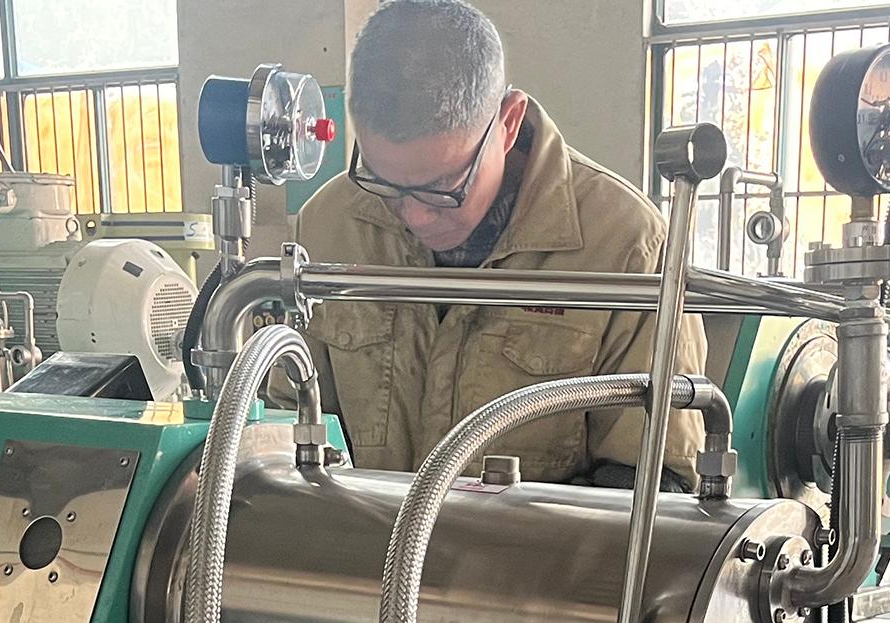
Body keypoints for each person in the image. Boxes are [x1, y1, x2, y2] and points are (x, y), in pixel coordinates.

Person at [292, 0, 707, 488]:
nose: (415, 214)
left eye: (443, 186)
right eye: (384, 182)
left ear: (508, 122)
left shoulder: (627, 248)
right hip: (354, 538)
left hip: (544, 541)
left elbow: (657, 483)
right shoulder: (328, 225)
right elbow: (283, 431)